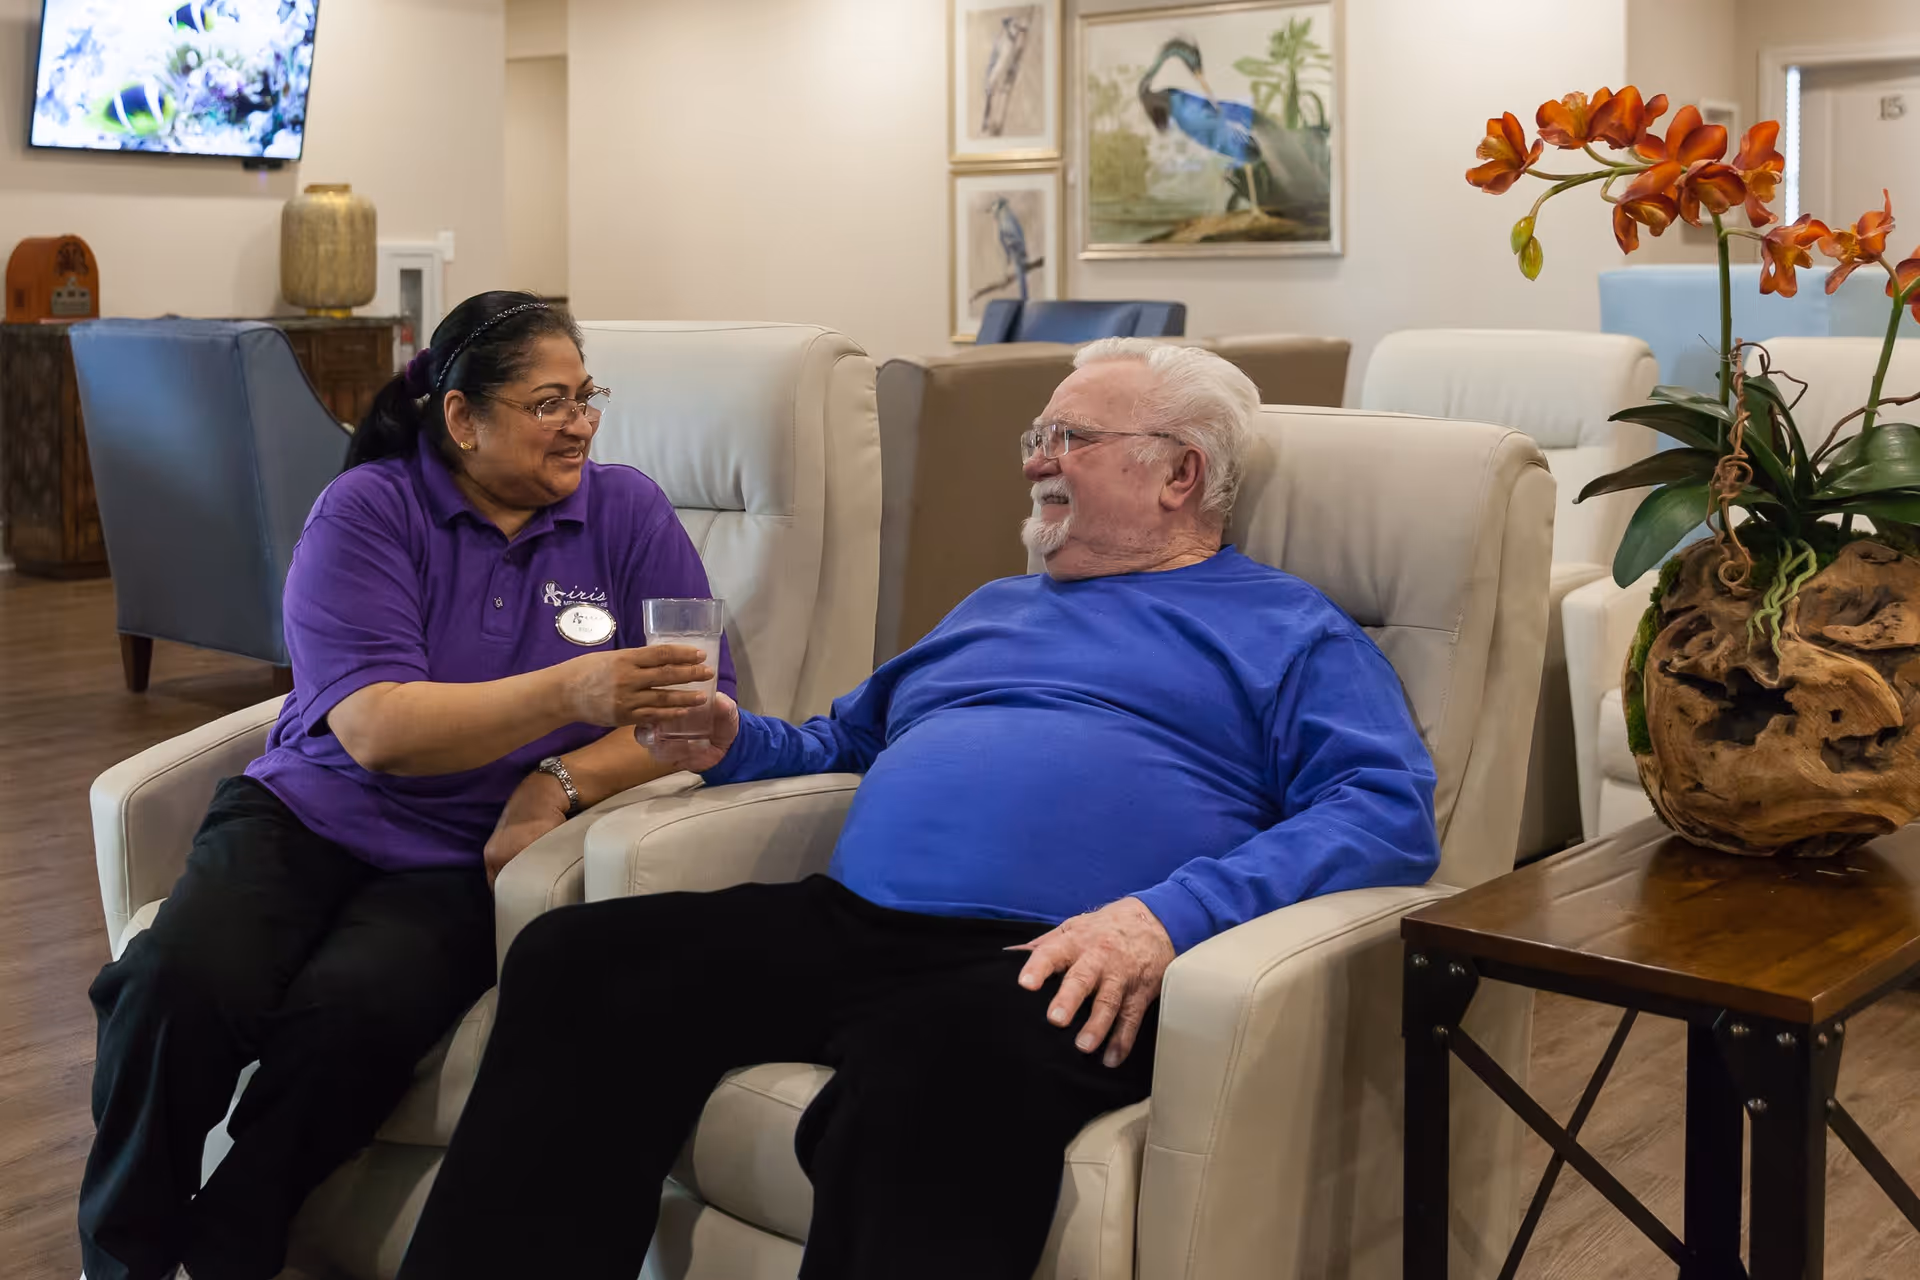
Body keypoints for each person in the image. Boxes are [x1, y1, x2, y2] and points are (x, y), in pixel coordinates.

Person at [397, 339, 1439, 1280]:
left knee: (931, 1061)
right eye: (1038, 435)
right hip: (856, 922)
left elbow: (1382, 810)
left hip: (1058, 956)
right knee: (579, 957)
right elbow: (841, 741)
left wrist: (1168, 915)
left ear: (1180, 473)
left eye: (1069, 437)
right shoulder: (993, 606)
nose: (1035, 458)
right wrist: (730, 741)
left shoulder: (1289, 631)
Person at [79, 291, 736, 1280]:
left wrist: (559, 778)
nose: (582, 423)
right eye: (550, 401)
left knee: (354, 1016)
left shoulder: (627, 509)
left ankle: (231, 1240)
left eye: (587, 395)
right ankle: (122, 1256)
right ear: (462, 417)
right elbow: (379, 728)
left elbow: (699, 711)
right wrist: (572, 688)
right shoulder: (370, 509)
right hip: (307, 813)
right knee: (176, 985)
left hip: (457, 855)